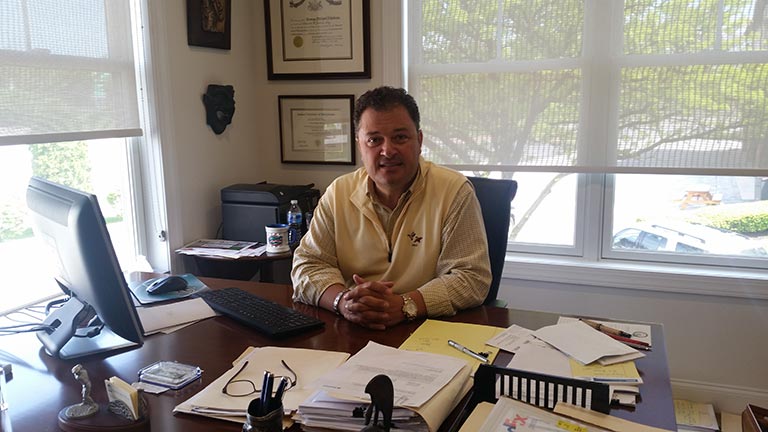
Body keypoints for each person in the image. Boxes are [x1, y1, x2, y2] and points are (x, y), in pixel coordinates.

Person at [291, 86, 491, 330]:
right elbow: (308, 265)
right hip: (353, 328)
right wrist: (342, 301)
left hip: (428, 331)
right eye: (374, 140)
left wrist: (407, 305)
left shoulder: (454, 191)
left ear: (419, 140)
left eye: (400, 137)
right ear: (360, 146)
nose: (387, 150)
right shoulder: (338, 193)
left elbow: (471, 278)